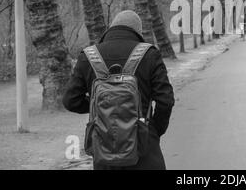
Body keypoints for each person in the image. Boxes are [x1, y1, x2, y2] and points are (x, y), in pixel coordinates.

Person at [63, 10, 175, 170]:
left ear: (111, 28)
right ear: (138, 32)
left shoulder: (87, 56)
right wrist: (154, 131)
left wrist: (100, 108)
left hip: (104, 148)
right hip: (144, 148)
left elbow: (70, 101)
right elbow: (166, 100)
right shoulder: (150, 54)